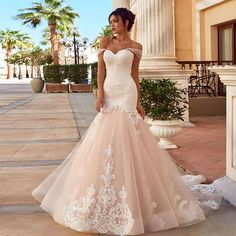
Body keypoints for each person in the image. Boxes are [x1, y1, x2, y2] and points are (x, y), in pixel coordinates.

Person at [33, 7, 213, 236]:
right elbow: (100, 71)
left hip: (127, 93)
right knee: (103, 140)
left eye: (116, 21)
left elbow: (135, 75)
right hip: (109, 92)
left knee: (130, 139)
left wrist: (137, 102)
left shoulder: (137, 47)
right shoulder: (105, 41)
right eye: (110, 21)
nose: (112, 25)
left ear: (126, 22)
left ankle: (136, 198)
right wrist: (99, 94)